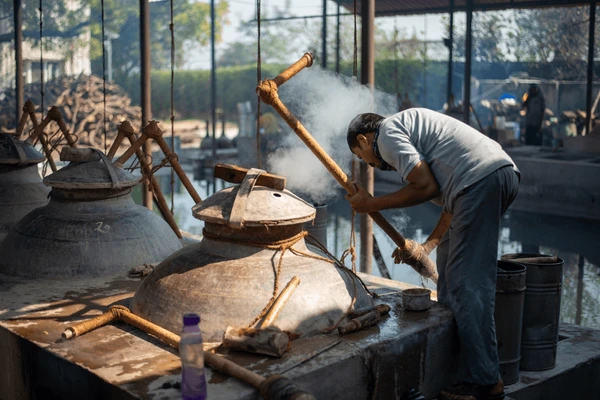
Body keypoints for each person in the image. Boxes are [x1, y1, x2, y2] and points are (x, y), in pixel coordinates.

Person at [345, 108, 520, 400]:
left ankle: (487, 384)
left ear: (364, 140)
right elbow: (452, 202)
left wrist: (372, 204)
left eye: (363, 157)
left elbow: (426, 187)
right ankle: (466, 371)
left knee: (468, 286)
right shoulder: (409, 128)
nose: (370, 164)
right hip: (491, 177)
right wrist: (427, 246)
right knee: (450, 282)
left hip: (481, 182)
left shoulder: (387, 134)